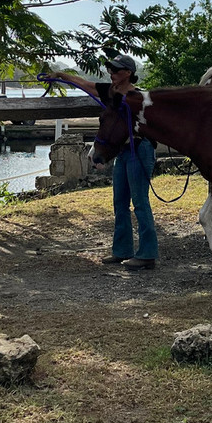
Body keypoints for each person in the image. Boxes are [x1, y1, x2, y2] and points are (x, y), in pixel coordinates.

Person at [70, 54, 159, 270]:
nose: (112, 73)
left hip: (140, 149)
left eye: (116, 70)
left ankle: (147, 254)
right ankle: (122, 251)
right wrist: (62, 75)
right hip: (123, 152)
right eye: (110, 69)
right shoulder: (110, 93)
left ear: (128, 73)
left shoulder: (139, 98)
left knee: (139, 202)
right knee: (120, 202)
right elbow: (85, 84)